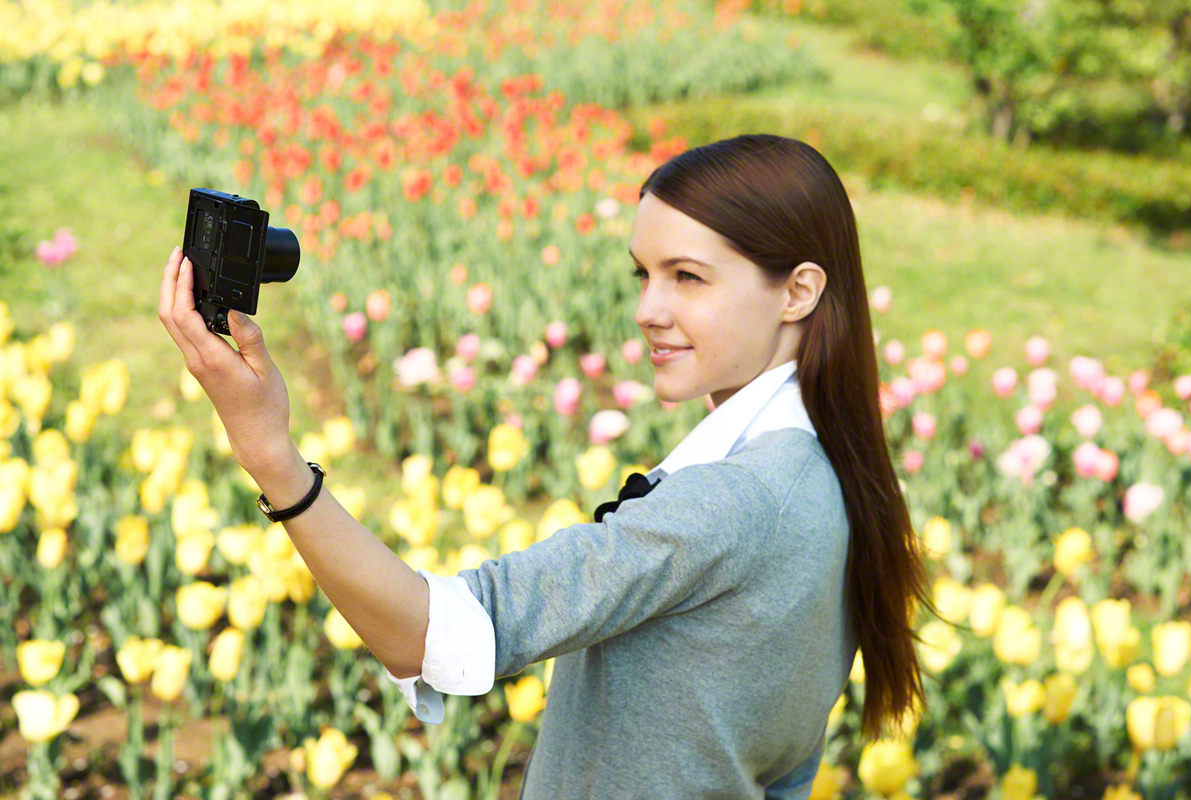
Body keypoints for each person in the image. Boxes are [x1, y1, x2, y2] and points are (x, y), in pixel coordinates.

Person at [159, 133, 938, 800]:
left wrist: (271, 454)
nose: (648, 309)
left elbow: (434, 633)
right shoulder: (825, 476)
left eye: (687, 277)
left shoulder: (732, 504)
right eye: (644, 273)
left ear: (798, 291)